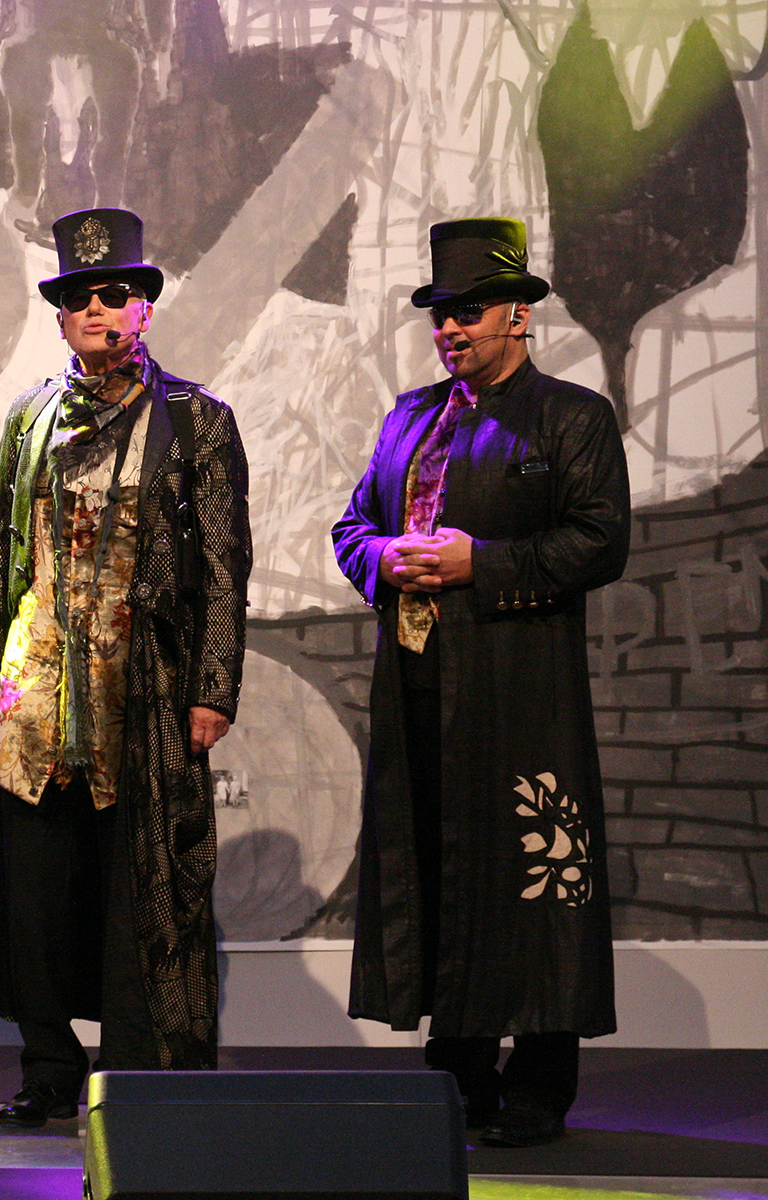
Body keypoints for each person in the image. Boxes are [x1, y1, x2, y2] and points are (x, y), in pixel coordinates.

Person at [332, 218, 631, 1148]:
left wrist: (480, 564)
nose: (451, 329)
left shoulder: (571, 417)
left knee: (534, 874)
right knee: (439, 863)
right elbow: (351, 527)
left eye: (468, 312)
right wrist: (385, 557)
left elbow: (600, 542)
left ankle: (538, 1084)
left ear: (518, 316)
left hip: (521, 688)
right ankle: (459, 1069)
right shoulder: (409, 418)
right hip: (420, 686)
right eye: (441, 314)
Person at [0, 208, 251, 1128]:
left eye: (115, 294)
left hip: (146, 686)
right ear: (61, 316)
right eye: (79, 296)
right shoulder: (29, 418)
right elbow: (0, 549)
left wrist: (213, 686)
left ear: (144, 309)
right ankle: (48, 1065)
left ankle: (137, 1071)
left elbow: (224, 566)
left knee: (141, 878)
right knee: (40, 884)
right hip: (40, 685)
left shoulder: (195, 420)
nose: (97, 309)